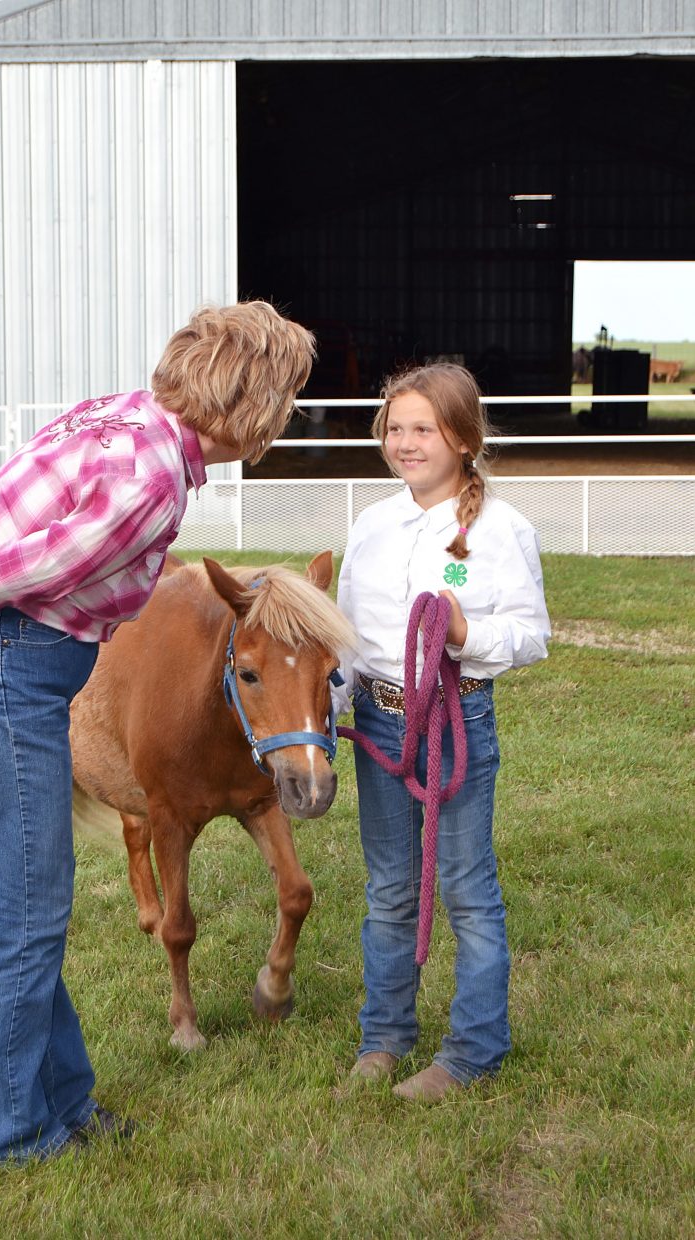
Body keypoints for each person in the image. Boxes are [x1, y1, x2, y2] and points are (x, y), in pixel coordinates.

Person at [0, 302, 316, 1163]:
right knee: (16, 916)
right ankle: (10, 1136)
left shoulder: (121, 420)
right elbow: (29, 561)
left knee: (31, 907)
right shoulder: (151, 476)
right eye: (286, 396)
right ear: (257, 404)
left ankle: (62, 1103)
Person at [334, 361, 550, 1101]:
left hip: (455, 721)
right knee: (389, 887)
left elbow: (529, 636)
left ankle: (474, 1049)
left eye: (422, 428)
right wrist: (329, 703)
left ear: (462, 437)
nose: (405, 442)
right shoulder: (370, 524)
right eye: (394, 428)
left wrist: (465, 630)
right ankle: (384, 1036)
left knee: (463, 887)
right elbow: (347, 637)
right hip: (378, 719)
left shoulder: (499, 528)